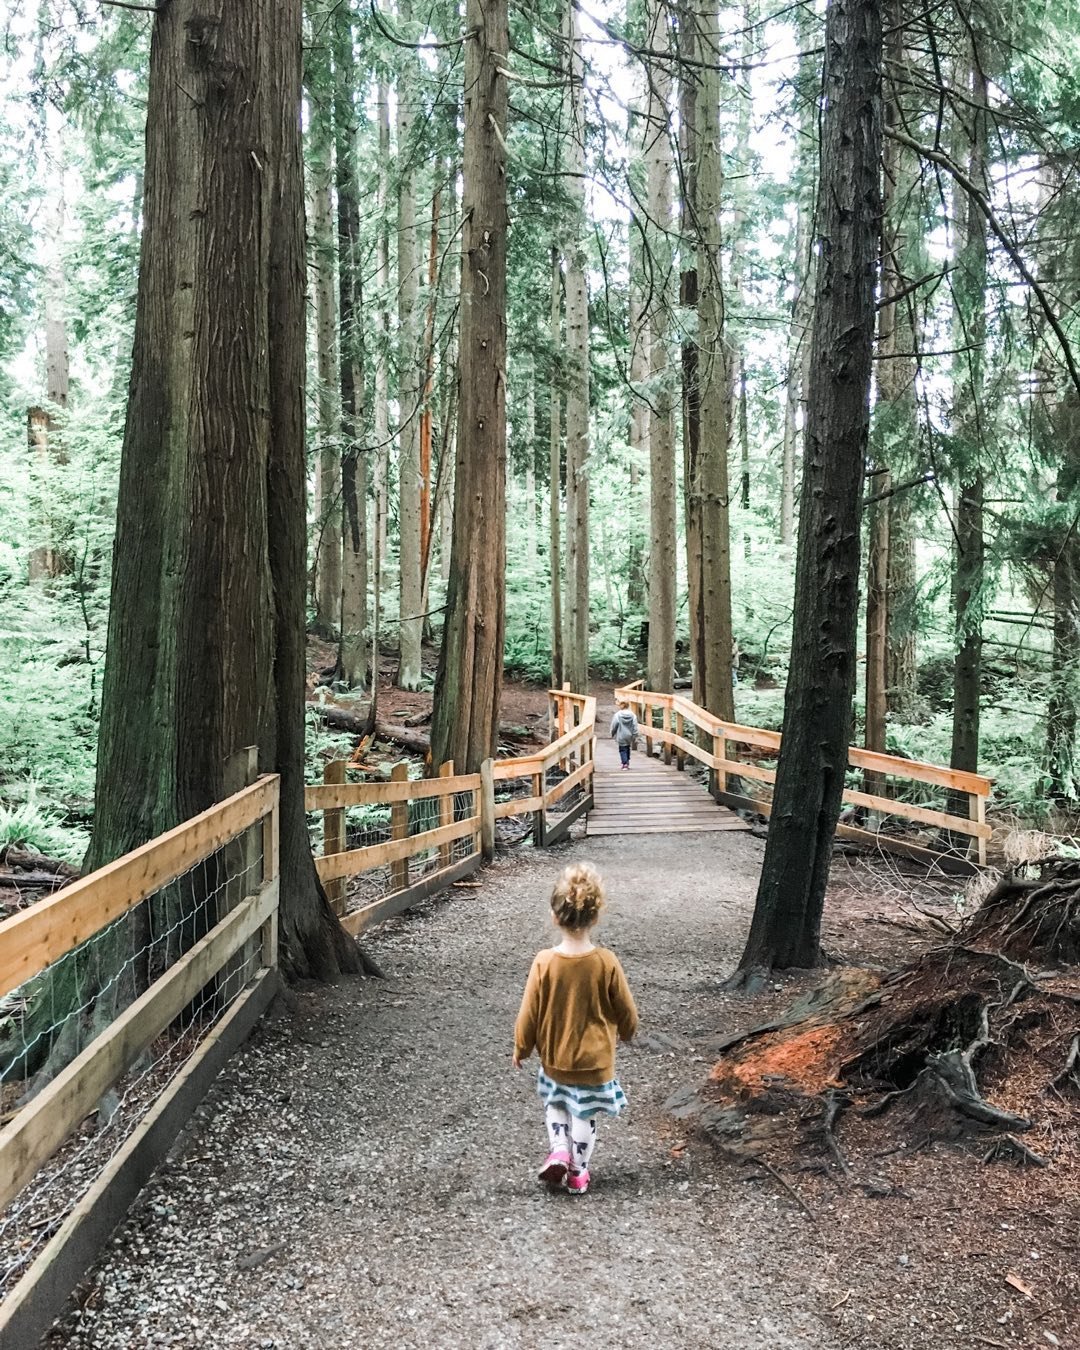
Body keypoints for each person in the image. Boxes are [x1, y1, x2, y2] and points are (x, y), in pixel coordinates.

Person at [513, 863, 638, 1194]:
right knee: (585, 1113)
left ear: (555, 916)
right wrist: (627, 1031)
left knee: (556, 1103)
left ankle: (559, 1149)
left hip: (556, 1057)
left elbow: (530, 1012)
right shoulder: (606, 962)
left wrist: (522, 1046)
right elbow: (626, 1008)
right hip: (595, 1062)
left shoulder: (544, 962)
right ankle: (578, 1172)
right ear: (595, 916)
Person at [609, 700, 638, 770]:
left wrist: (612, 733)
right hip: (629, 735)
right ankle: (627, 761)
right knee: (627, 747)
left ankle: (624, 764)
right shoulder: (633, 715)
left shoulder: (617, 715)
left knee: (622, 749)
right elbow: (635, 726)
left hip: (621, 734)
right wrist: (635, 734)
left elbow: (614, 725)